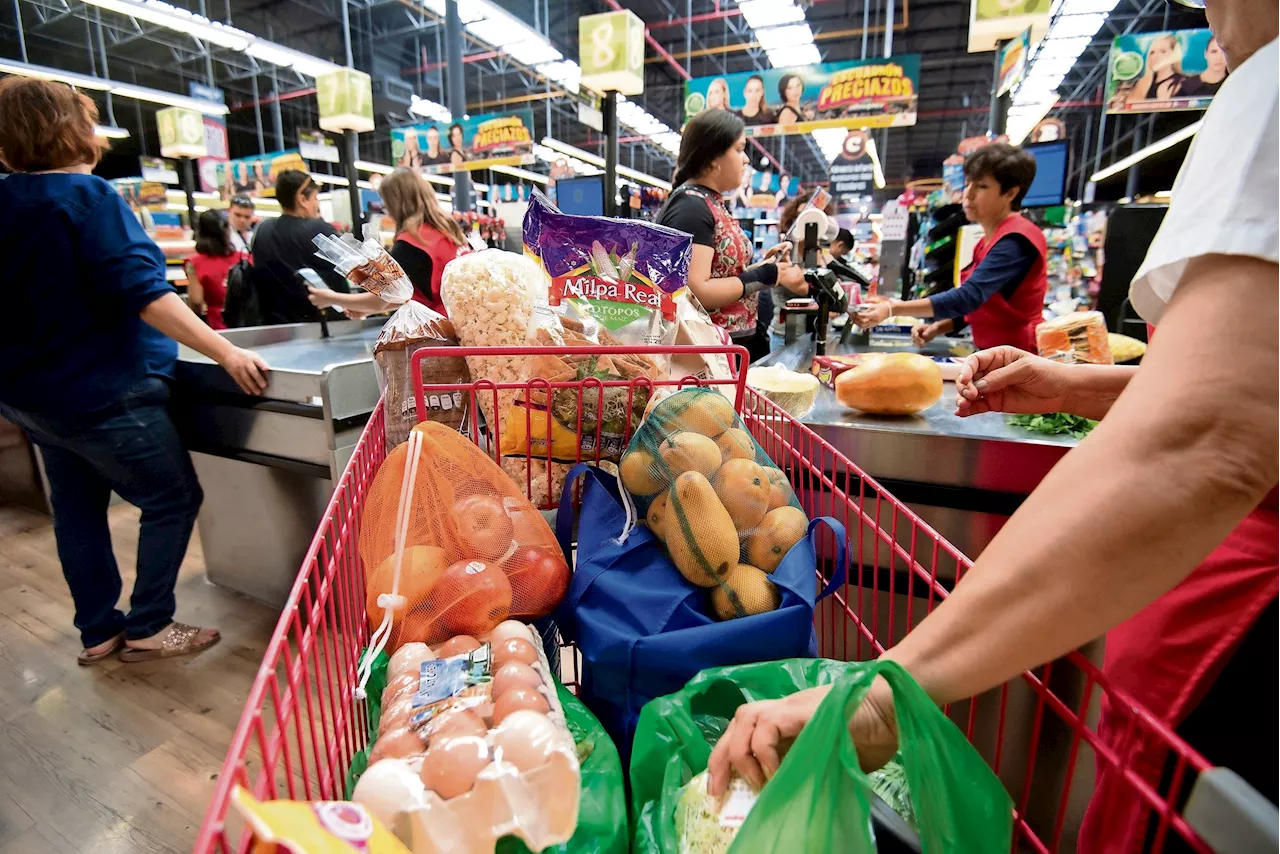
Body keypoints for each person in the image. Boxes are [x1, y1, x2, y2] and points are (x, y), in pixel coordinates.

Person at [707, 5, 1280, 851]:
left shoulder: (1268, 91)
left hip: (1230, 632)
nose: (1203, 9)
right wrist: (1078, 385)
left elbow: (1207, 436)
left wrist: (887, 689)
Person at [0, 78, 270, 665]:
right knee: (171, 498)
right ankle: (149, 623)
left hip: (30, 398)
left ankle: (98, 631)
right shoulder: (87, 198)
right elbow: (144, 293)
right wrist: (225, 351)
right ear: (73, 129)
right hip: (105, 391)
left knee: (76, 511)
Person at [855, 143, 1047, 352]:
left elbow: (969, 296)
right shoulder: (987, 240)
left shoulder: (1016, 240)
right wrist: (941, 326)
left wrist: (892, 308)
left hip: (1019, 358)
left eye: (981, 186)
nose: (969, 194)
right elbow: (988, 303)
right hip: (993, 352)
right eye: (968, 184)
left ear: (1010, 193)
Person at [656, 110, 807, 359]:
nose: (746, 160)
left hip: (726, 348)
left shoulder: (709, 203)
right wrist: (763, 276)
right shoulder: (691, 207)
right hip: (709, 357)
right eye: (739, 149)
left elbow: (719, 274)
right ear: (714, 157)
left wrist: (764, 268)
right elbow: (696, 291)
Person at [309, 168, 466, 317]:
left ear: (396, 203)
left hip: (445, 330)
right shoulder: (448, 232)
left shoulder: (412, 242)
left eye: (386, 203)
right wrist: (368, 310)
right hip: (469, 322)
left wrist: (330, 298)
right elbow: (410, 294)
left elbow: (378, 300)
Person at [250, 169, 350, 324]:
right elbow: (353, 268)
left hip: (276, 327)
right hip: (325, 325)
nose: (317, 204)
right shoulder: (318, 230)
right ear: (302, 199)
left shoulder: (263, 230)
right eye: (315, 198)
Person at [184, 210, 245, 330]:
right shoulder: (244, 257)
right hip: (248, 320)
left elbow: (196, 301)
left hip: (218, 324)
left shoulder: (194, 264)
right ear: (227, 230)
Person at [1127, 33, 1187, 104]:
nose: (1156, 56)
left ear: (1174, 54)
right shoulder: (1143, 81)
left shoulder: (1180, 82)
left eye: (1162, 51)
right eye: (1152, 52)